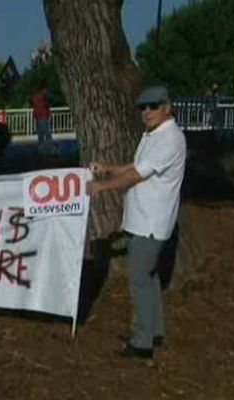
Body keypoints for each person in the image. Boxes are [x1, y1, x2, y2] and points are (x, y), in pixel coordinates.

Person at [87, 86, 186, 359]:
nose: (146, 112)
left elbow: (136, 177)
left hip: (152, 222)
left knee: (139, 279)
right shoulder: (152, 135)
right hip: (141, 220)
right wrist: (108, 168)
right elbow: (135, 167)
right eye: (142, 107)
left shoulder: (170, 139)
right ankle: (155, 331)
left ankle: (142, 343)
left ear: (167, 107)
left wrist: (102, 187)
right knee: (150, 277)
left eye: (153, 106)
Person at [32, 80, 53, 146]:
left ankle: (48, 145)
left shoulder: (42, 93)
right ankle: (43, 145)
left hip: (41, 114)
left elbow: (50, 99)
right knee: (41, 131)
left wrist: (45, 104)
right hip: (39, 114)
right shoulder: (40, 93)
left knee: (44, 130)